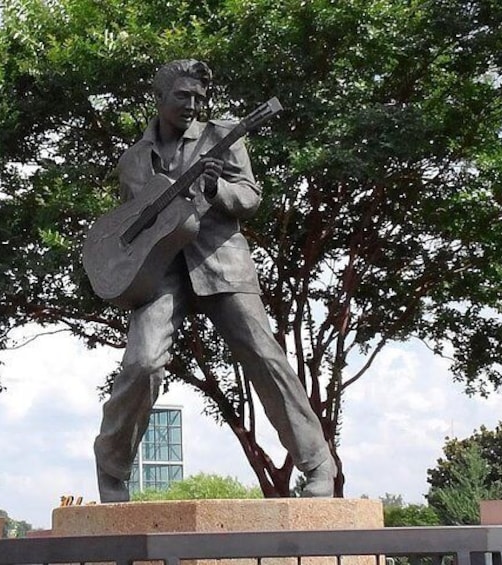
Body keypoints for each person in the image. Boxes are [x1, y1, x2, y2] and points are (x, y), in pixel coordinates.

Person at [93, 59, 335, 502]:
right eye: (183, 95)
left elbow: (248, 196)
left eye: (200, 98)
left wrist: (214, 190)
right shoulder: (131, 161)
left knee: (264, 355)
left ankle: (318, 464)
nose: (193, 104)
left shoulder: (221, 137)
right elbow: (130, 219)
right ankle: (112, 470)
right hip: (160, 271)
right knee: (142, 363)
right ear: (160, 97)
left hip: (221, 260)